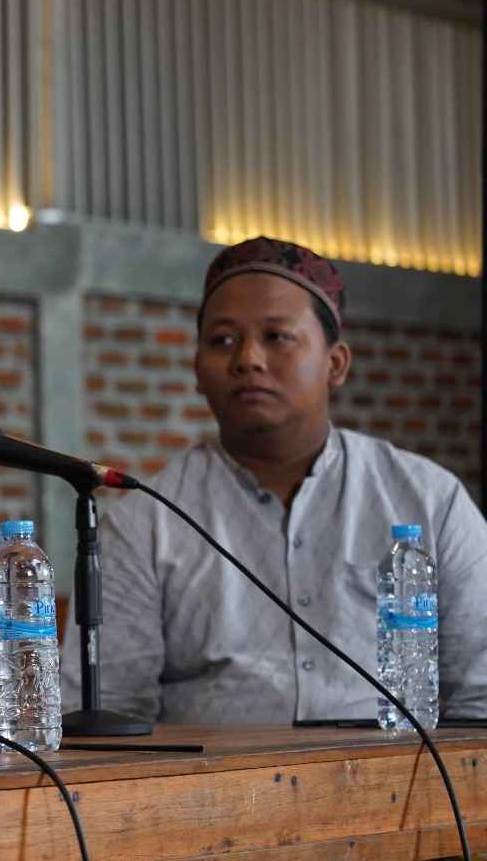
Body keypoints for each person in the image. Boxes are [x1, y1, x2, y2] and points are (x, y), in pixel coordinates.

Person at [63, 236, 487, 724]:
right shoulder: (145, 520)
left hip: (404, 790)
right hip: (208, 796)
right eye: (222, 341)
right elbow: (110, 715)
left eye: (276, 336)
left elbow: (477, 697)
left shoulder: (430, 501)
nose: (248, 359)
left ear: (336, 364)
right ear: (197, 370)